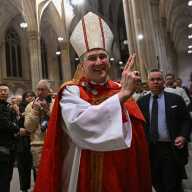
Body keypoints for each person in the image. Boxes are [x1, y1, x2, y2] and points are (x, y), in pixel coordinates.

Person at [34, 12, 152, 192]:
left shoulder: (119, 88)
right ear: (81, 65)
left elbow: (136, 137)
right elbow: (81, 124)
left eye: (102, 56)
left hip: (120, 172)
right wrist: (122, 95)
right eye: (92, 58)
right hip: (83, 173)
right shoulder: (71, 91)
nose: (99, 62)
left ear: (109, 61)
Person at [137, 69, 191, 192]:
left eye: (158, 79)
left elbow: (186, 120)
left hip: (171, 148)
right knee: (157, 182)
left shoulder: (175, 99)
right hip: (151, 150)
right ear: (148, 83)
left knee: (172, 183)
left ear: (163, 81)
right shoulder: (141, 102)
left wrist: (183, 136)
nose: (156, 82)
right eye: (152, 79)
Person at [24, 80, 53, 177]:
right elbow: (29, 127)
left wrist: (47, 110)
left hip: (54, 143)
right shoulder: (30, 106)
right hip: (38, 144)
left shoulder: (55, 103)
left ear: (49, 91)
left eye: (43, 90)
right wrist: (35, 111)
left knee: (54, 173)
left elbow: (60, 123)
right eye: (38, 90)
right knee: (41, 175)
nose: (40, 92)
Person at [0, 84, 19, 192]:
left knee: (7, 177)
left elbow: (16, 121)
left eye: (5, 91)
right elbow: (4, 123)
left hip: (10, 147)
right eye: (1, 91)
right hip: (2, 146)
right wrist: (17, 128)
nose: (3, 93)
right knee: (3, 178)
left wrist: (16, 112)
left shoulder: (9, 107)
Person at [16, 91, 36, 192]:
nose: (30, 98)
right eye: (27, 96)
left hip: (35, 140)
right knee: (24, 167)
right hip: (23, 142)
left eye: (32, 96)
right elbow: (16, 124)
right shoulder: (19, 108)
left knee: (37, 166)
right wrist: (19, 129)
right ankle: (24, 188)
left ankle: (38, 186)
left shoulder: (38, 107)